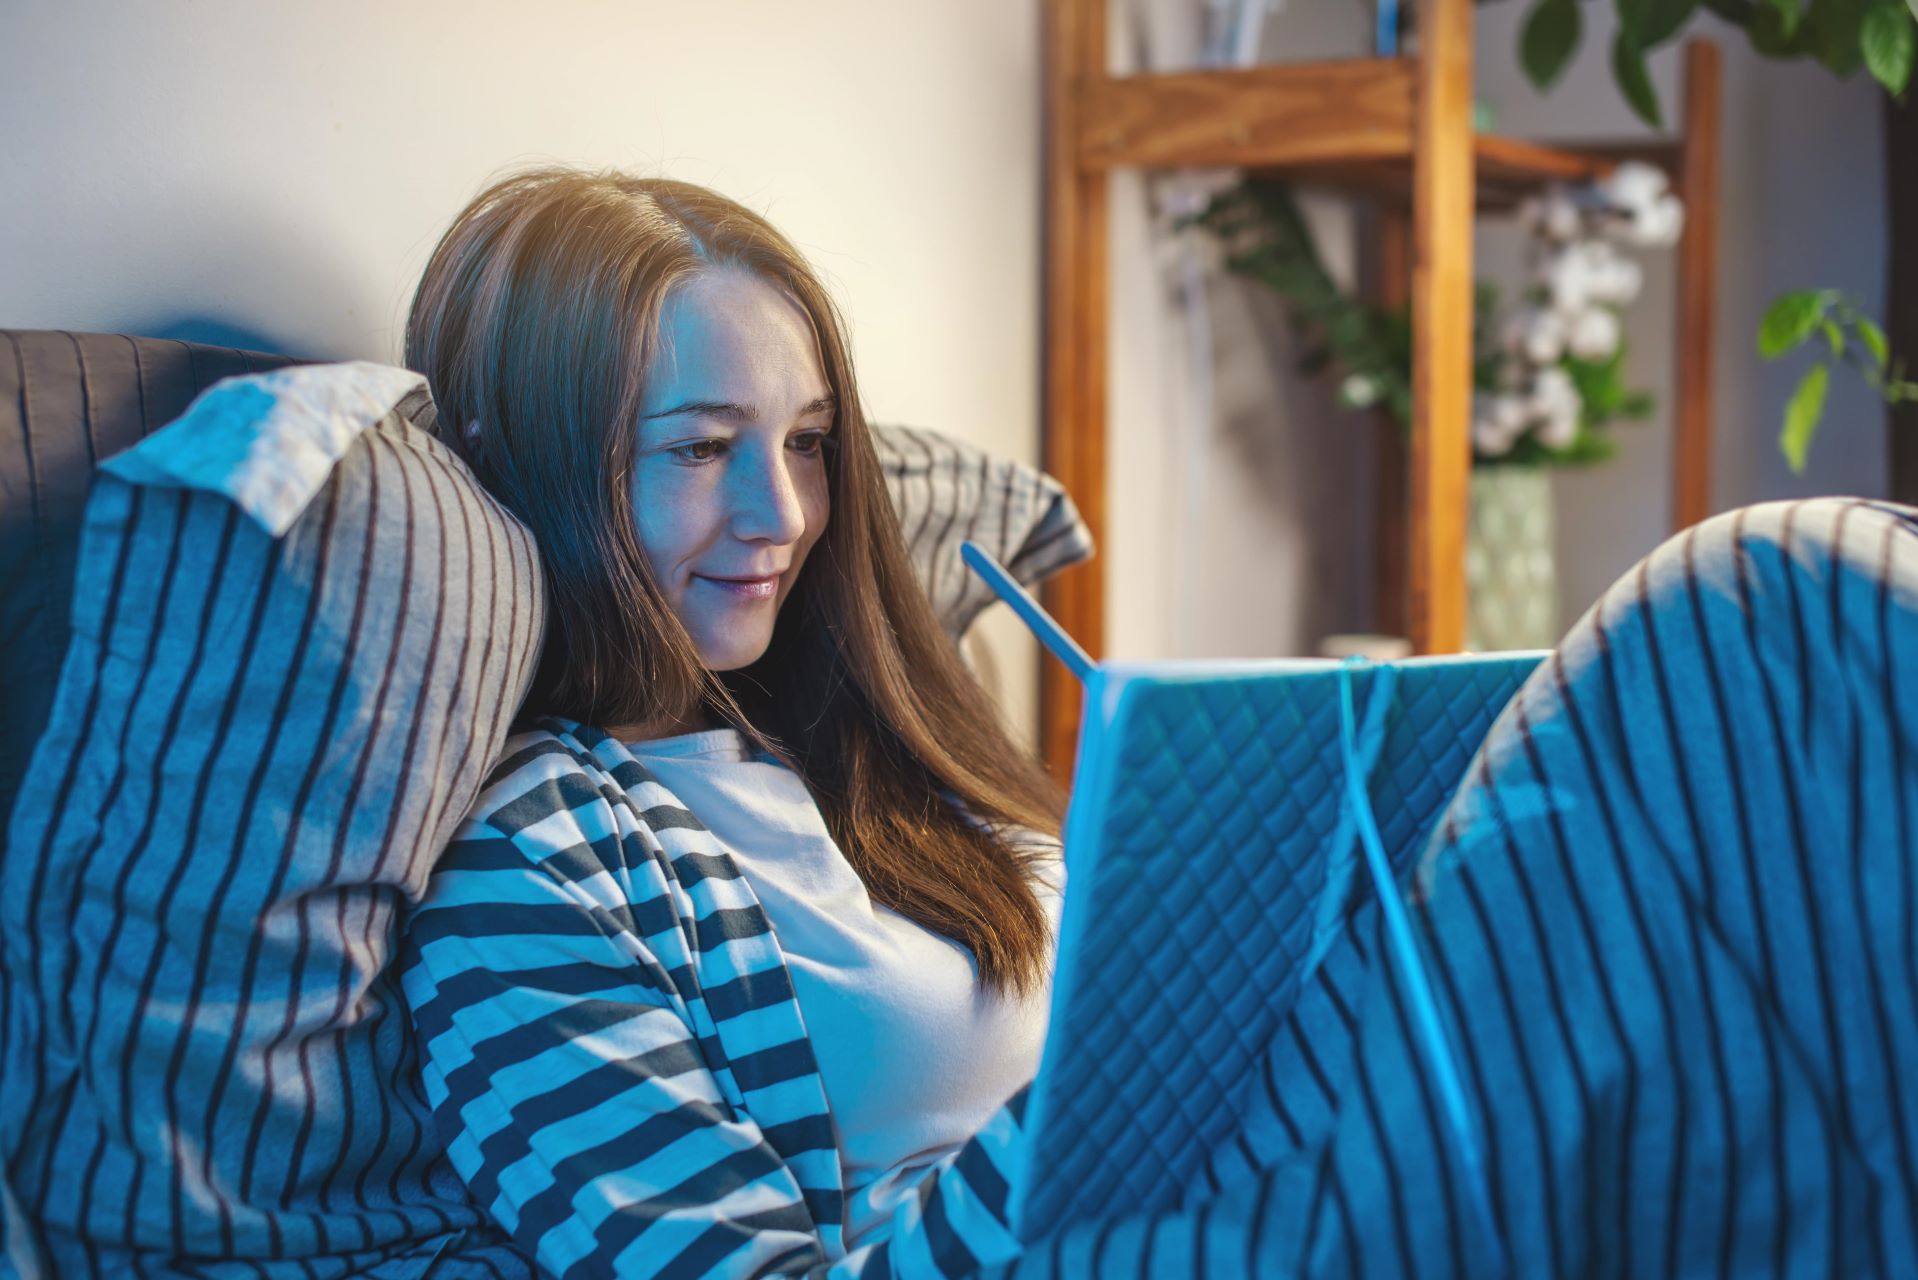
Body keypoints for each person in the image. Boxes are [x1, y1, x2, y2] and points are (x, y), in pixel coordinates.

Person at [398, 167, 1918, 1278]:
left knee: (1786, 776)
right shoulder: (532, 879)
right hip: (1180, 1224)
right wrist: (1107, 1105)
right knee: (1749, 606)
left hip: (1305, 1142)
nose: (780, 514)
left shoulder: (867, 747)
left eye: (804, 443)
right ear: (538, 463)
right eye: (700, 449)